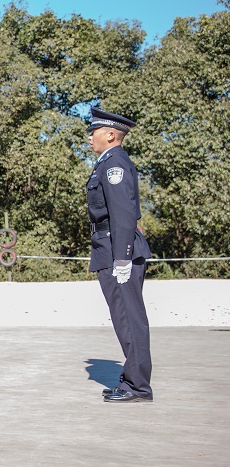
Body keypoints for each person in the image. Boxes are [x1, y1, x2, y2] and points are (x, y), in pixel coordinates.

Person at [87, 108, 153, 403]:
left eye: (94, 132)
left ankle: (138, 387)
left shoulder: (114, 164)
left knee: (129, 319)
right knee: (123, 318)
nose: (90, 137)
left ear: (111, 135)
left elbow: (123, 213)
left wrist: (123, 257)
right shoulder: (107, 163)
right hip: (110, 246)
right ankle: (131, 379)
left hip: (117, 249)